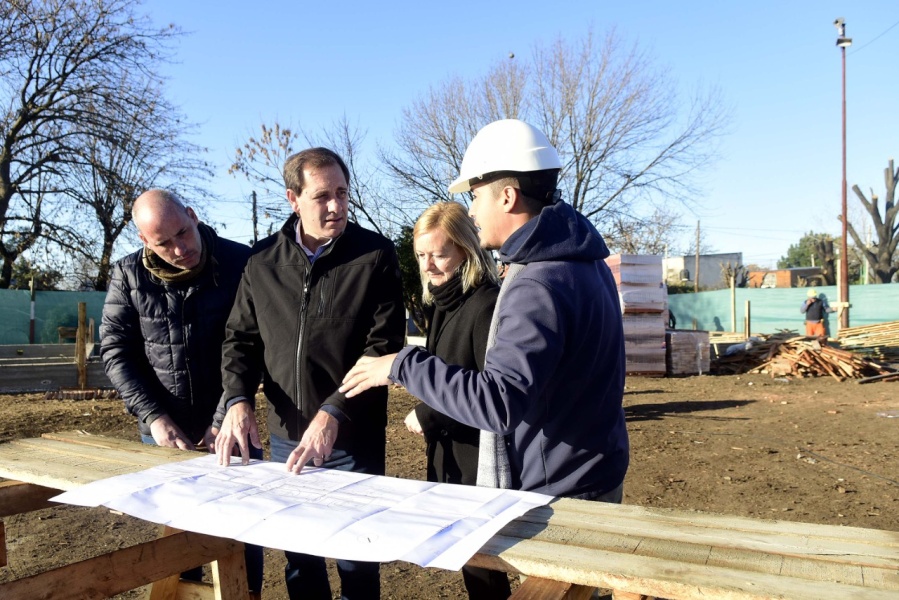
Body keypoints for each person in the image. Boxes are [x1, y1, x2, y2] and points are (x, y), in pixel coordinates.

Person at [340, 118, 630, 502]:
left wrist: (401, 365)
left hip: (562, 489)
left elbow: (498, 402)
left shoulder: (536, 283)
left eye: (475, 196)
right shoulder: (584, 259)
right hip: (595, 470)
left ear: (507, 197)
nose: (472, 211)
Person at [213, 147, 405, 600]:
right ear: (293, 199)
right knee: (300, 556)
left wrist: (334, 411)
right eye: (323, 196)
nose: (337, 206)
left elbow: (382, 347)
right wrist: (238, 400)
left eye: (342, 192)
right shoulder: (261, 262)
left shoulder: (374, 255)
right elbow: (240, 340)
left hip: (351, 434)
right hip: (284, 437)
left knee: (358, 556)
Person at [99, 189, 262, 595]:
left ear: (192, 215)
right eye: (163, 243)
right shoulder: (127, 274)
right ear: (143, 241)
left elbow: (256, 343)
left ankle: (248, 595)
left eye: (182, 233)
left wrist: (226, 415)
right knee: (177, 532)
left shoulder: (240, 262)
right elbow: (116, 352)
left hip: (232, 420)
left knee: (243, 528)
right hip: (162, 425)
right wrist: (152, 417)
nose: (179, 248)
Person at [405, 201, 509, 599]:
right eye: (421, 255)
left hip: (476, 460)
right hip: (451, 455)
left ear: (466, 250)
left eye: (439, 254)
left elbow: (488, 390)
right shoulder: (444, 302)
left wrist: (427, 414)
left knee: (485, 567)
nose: (428, 265)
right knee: (475, 564)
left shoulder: (483, 305)